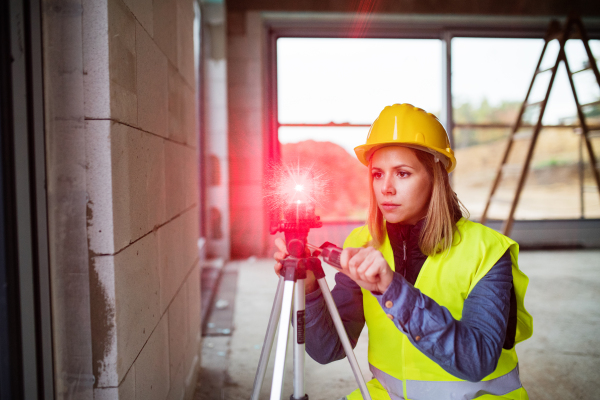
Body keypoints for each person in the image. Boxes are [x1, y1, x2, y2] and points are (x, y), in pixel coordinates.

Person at [274, 103, 533, 400]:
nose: (386, 188)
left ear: (435, 177)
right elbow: (327, 349)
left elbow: (477, 360)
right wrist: (308, 289)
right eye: (377, 174)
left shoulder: (486, 251)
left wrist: (391, 289)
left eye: (403, 174)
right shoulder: (364, 243)